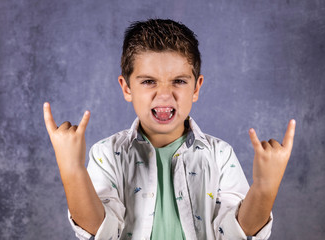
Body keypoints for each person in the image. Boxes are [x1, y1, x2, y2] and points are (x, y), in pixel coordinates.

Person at [43, 19, 296, 240]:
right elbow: (100, 230)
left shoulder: (220, 155)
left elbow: (236, 232)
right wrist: (72, 169)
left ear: (196, 88)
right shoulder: (107, 153)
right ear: (126, 87)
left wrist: (265, 186)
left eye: (179, 81)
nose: (164, 94)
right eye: (149, 81)